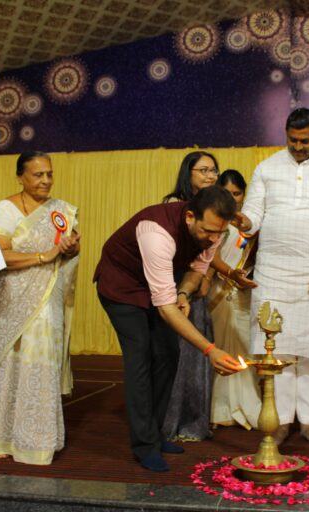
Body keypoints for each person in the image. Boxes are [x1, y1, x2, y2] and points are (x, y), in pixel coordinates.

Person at [94, 185, 242, 472]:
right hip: (121, 286)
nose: (213, 239)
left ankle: (157, 433)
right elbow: (165, 308)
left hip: (155, 287)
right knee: (141, 358)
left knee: (169, 354)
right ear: (189, 217)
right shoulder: (156, 234)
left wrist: (184, 294)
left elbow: (196, 271)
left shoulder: (213, 229)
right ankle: (144, 445)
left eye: (219, 233)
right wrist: (209, 350)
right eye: (208, 231)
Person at [236, 108, 309, 446]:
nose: (298, 146)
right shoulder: (267, 168)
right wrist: (244, 221)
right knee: (279, 350)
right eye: (292, 140)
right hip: (273, 273)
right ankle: (283, 420)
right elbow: (255, 214)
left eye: (305, 140)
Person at [0, 151, 80, 465]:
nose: (46, 181)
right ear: (20, 176)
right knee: (17, 366)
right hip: (15, 300)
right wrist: (42, 257)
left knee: (44, 366)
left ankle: (39, 440)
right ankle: (5, 438)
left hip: (48, 299)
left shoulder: (59, 210)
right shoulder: (6, 209)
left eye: (49, 174)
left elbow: (67, 250)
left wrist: (70, 247)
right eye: (38, 175)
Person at [160, 151, 222, 443]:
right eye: (204, 171)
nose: (210, 176)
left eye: (214, 171)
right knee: (172, 353)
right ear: (189, 173)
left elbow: (210, 253)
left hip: (196, 287)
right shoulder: (174, 205)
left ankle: (193, 424)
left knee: (196, 354)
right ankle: (167, 424)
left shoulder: (215, 208)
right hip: (170, 287)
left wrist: (205, 277)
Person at [206, 170, 261, 430]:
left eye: (237, 193)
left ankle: (247, 406)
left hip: (244, 294)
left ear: (244, 195)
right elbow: (210, 258)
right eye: (226, 192)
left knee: (244, 347)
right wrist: (230, 274)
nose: (232, 198)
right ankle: (220, 409)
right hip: (219, 292)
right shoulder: (215, 222)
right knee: (220, 349)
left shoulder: (251, 226)